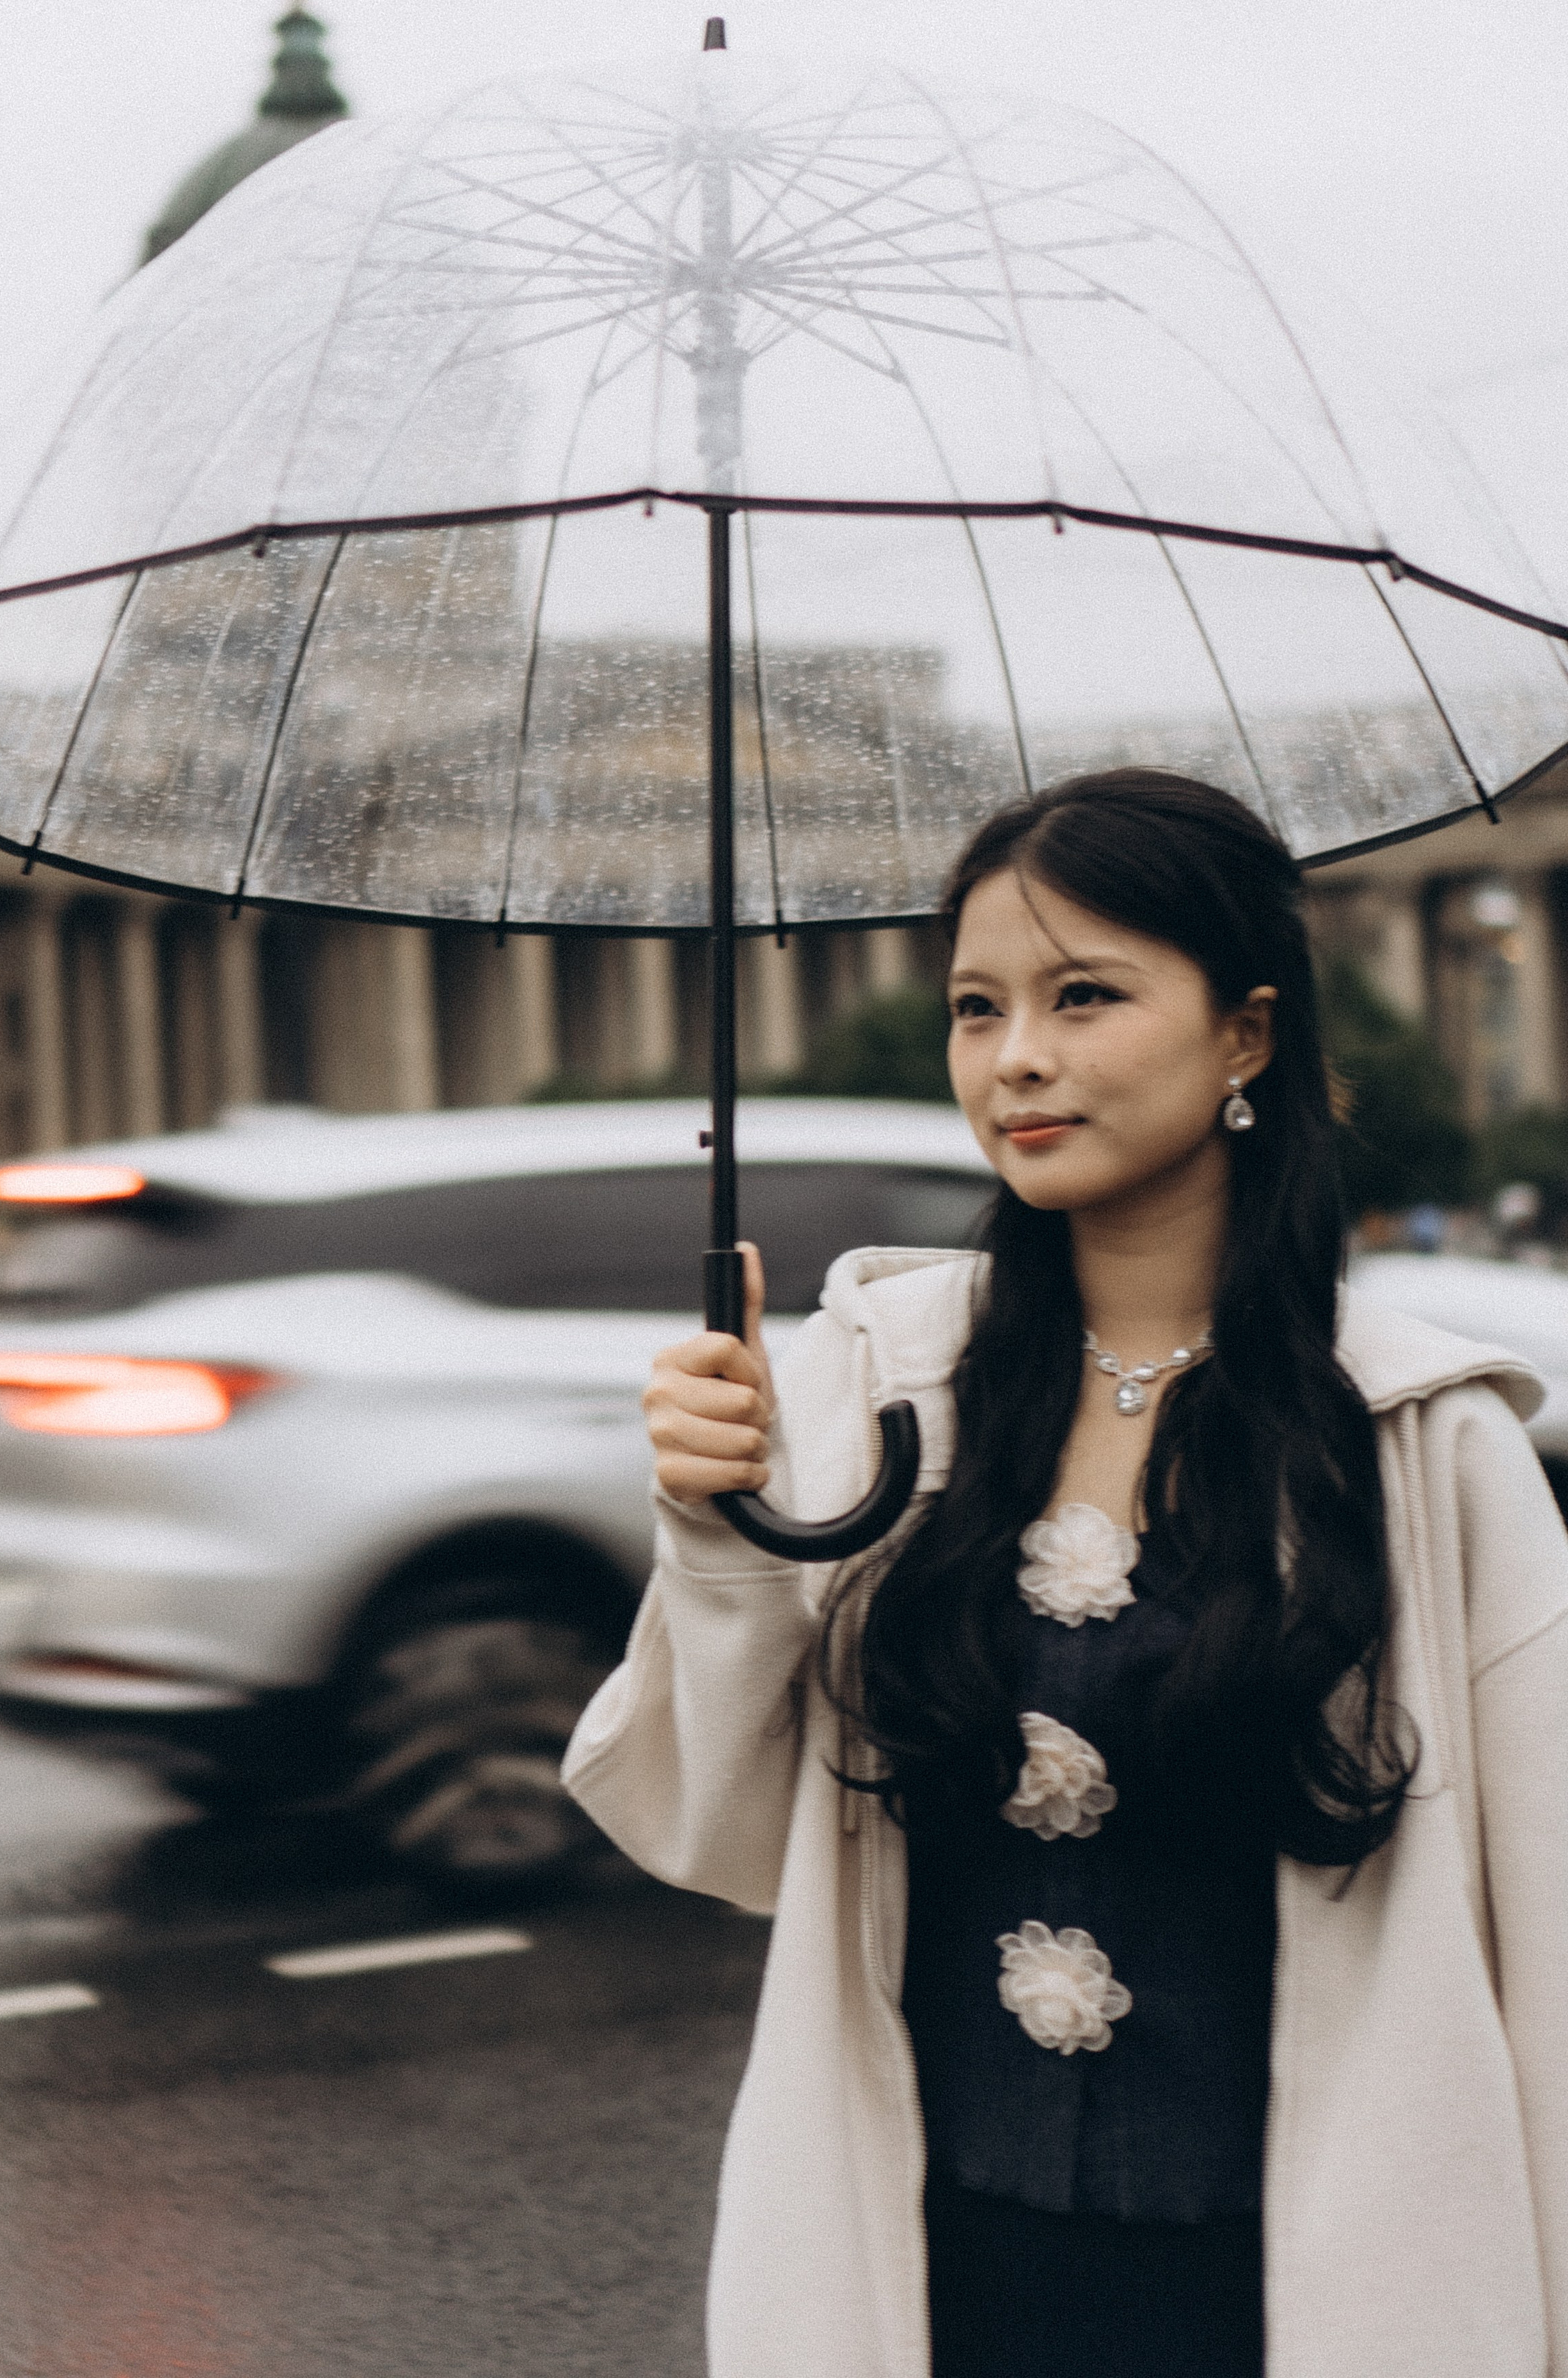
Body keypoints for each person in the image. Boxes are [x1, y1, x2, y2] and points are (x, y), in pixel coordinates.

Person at [562, 768, 1568, 2378]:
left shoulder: (1416, 1441)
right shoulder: (879, 1383)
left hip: (1301, 2296)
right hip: (933, 2277)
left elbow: (1553, 1957)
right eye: (975, 1007)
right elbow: (712, 1831)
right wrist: (710, 1523)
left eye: (1081, 994)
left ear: (1244, 1035)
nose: (1013, 1057)